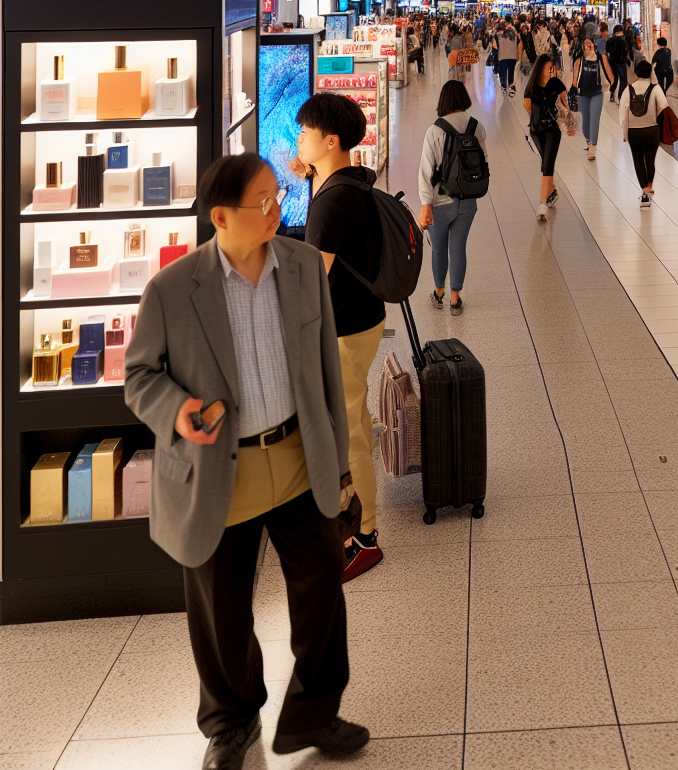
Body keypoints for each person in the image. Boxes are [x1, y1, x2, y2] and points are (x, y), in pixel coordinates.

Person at [124, 154, 367, 770]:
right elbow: (139, 378)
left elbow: (325, 375)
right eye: (261, 201)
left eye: (276, 194)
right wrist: (177, 410)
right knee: (221, 613)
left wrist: (339, 464)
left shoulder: (305, 267)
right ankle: (232, 724)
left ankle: (314, 713)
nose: (275, 208)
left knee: (321, 597)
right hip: (216, 473)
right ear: (219, 217)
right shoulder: (174, 290)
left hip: (294, 458)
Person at [295, 94, 387, 582]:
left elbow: (314, 280)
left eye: (304, 135)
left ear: (330, 142)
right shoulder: (353, 180)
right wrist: (309, 170)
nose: (297, 142)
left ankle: (363, 538)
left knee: (348, 433)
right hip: (366, 317)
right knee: (355, 417)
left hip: (344, 328)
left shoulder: (330, 204)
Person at [417, 79, 486, 314]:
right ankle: (455, 300)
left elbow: (426, 171)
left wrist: (425, 204)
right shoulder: (477, 127)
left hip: (440, 202)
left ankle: (439, 294)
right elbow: (484, 164)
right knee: (458, 248)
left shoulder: (435, 130)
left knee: (439, 248)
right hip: (468, 202)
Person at [524, 56, 574, 221]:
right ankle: (551, 189)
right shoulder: (532, 85)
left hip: (552, 129)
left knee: (547, 166)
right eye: (548, 68)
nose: (551, 71)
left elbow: (565, 105)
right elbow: (526, 104)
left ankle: (542, 205)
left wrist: (569, 124)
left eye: (553, 68)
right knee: (545, 162)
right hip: (536, 130)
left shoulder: (556, 84)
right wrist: (535, 117)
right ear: (540, 68)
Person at [623, 59, 666, 208]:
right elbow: (664, 105)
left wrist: (625, 132)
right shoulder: (655, 88)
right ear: (650, 73)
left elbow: (623, 112)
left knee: (638, 160)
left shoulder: (628, 89)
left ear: (636, 72)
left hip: (634, 131)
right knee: (650, 160)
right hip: (651, 130)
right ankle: (649, 186)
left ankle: (645, 190)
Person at [572, 36, 612, 161]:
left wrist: (614, 86)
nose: (588, 45)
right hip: (583, 93)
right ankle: (588, 141)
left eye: (590, 43)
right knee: (586, 120)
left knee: (594, 118)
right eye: (586, 44)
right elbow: (575, 77)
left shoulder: (600, 58)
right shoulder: (580, 60)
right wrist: (573, 89)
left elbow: (609, 73)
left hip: (597, 92)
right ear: (583, 47)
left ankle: (592, 146)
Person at [605, 22, 631, 99]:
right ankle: (621, 96)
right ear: (619, 31)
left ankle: (612, 93)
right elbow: (626, 52)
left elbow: (607, 51)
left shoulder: (609, 40)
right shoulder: (622, 41)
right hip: (621, 62)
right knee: (623, 80)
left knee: (614, 79)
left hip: (612, 62)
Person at [495, 22, 520, 93]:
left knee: (503, 73)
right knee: (511, 72)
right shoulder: (514, 35)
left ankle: (504, 88)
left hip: (503, 57)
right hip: (513, 56)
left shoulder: (498, 36)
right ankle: (511, 86)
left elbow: (496, 47)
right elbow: (518, 42)